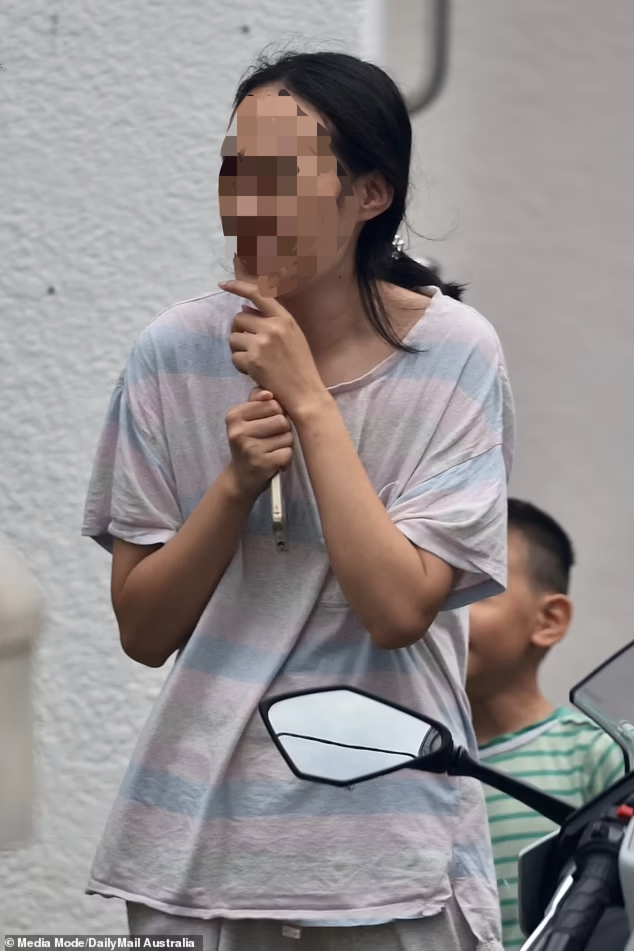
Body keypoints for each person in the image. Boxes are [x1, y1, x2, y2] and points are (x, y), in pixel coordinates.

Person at [82, 49, 515, 951]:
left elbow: (397, 607)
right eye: (232, 171)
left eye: (279, 176)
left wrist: (310, 401)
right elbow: (143, 629)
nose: (245, 203)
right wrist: (234, 485)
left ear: (369, 194)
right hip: (193, 849)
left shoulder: (454, 353)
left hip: (387, 853)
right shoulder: (170, 351)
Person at [467, 498, 625, 950]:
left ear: (548, 620)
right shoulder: (412, 760)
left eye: (475, 587)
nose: (444, 611)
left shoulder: (598, 756)